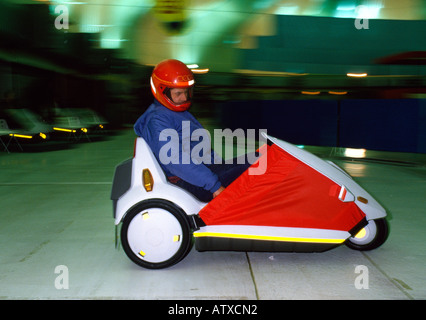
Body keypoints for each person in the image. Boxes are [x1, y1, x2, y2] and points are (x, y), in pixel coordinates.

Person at [134, 59, 251, 202]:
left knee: (262, 156)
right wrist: (214, 186)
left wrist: (221, 166)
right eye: (178, 93)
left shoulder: (175, 113)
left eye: (187, 92)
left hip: (200, 174)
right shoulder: (158, 121)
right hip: (187, 183)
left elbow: (203, 149)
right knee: (262, 164)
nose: (184, 98)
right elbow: (176, 161)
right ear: (161, 90)